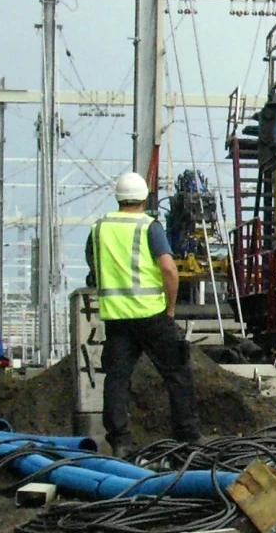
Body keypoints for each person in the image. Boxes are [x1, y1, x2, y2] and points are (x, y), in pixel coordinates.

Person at [84, 171, 201, 455]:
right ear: (144, 197)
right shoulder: (150, 227)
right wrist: (170, 308)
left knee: (117, 378)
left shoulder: (99, 228)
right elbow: (169, 269)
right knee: (177, 373)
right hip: (152, 315)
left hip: (117, 318)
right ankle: (187, 441)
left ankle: (120, 443)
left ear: (118, 198)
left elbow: (93, 264)